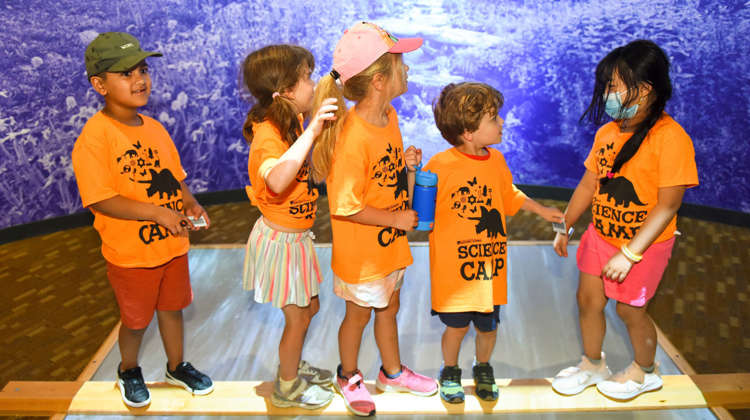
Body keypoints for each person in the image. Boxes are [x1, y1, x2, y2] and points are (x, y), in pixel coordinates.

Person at [71, 32, 213, 408]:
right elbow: (100, 199)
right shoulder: (94, 138)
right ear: (99, 84)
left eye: (142, 69)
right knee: (135, 321)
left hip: (172, 245)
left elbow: (174, 179)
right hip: (131, 254)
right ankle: (128, 369)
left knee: (173, 309)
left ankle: (176, 365)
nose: (139, 80)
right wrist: (156, 212)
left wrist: (191, 204)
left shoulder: (154, 128)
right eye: (125, 73)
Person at [550, 40, 698, 400]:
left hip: (643, 248)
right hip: (601, 238)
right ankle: (593, 362)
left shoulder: (672, 139)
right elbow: (589, 183)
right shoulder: (607, 134)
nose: (607, 94)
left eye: (613, 86)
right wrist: (564, 224)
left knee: (630, 311)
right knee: (588, 301)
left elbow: (667, 206)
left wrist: (630, 253)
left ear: (644, 89)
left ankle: (646, 371)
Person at [310, 22, 437, 416]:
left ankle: (392, 372)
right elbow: (345, 206)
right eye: (402, 63)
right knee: (358, 315)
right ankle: (348, 375)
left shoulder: (389, 117)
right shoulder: (351, 136)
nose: (408, 70)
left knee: (390, 307)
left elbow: (382, 176)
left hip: (388, 247)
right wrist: (396, 219)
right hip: (362, 255)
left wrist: (407, 166)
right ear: (380, 80)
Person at [427, 82, 564, 403]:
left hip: (489, 270)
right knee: (457, 329)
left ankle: (483, 366)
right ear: (468, 132)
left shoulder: (496, 161)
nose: (502, 122)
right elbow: (422, 207)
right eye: (493, 118)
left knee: (488, 328)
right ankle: (449, 370)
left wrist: (542, 210)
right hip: (454, 275)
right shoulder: (440, 166)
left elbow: (508, 194)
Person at [241, 44, 338, 409]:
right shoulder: (268, 135)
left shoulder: (291, 120)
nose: (312, 86)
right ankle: (286, 386)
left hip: (297, 238)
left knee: (309, 309)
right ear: (284, 91)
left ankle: (292, 364)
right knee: (297, 318)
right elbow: (277, 181)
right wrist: (312, 132)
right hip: (279, 242)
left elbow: (300, 171)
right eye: (306, 78)